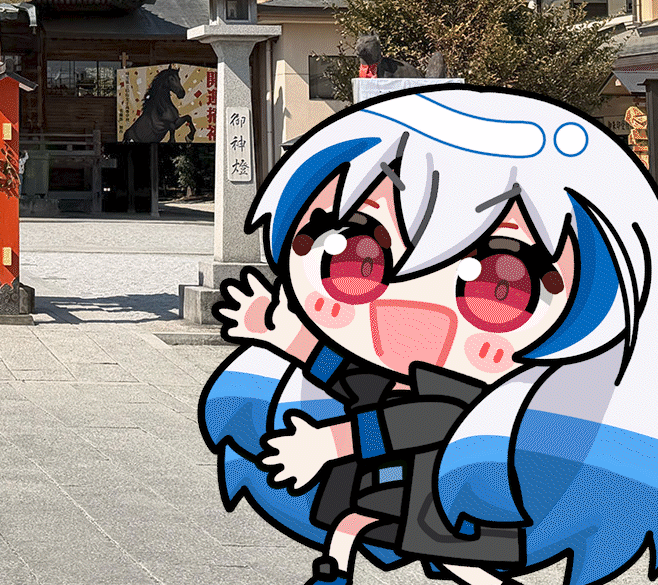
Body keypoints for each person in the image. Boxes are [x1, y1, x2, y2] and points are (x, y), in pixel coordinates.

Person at [203, 86, 658, 585]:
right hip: (404, 487)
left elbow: (423, 418)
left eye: (500, 286)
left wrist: (332, 441)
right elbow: (348, 377)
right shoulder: (399, 377)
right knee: (353, 524)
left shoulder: (471, 400)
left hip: (450, 501)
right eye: (357, 257)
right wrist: (285, 336)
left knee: (451, 556)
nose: (413, 313)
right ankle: (333, 574)